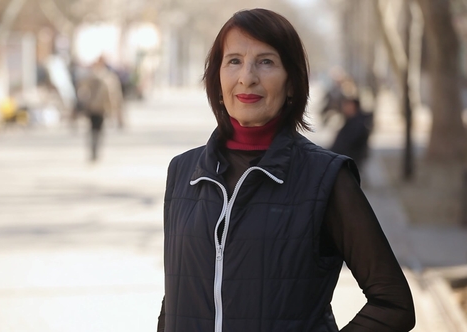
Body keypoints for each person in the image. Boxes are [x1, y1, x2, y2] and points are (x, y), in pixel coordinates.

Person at [157, 8, 415, 332]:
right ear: (216, 78)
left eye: (266, 61)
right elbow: (177, 296)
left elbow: (394, 304)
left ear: (292, 82)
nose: (247, 77)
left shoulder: (326, 178)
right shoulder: (184, 172)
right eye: (234, 60)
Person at [75, 56, 123, 161]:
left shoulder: (93, 76)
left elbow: (82, 88)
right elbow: (113, 95)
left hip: (94, 107)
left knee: (94, 130)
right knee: (97, 130)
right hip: (99, 108)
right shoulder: (107, 77)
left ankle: (94, 150)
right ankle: (94, 150)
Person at [330, 97, 373, 172]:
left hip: (349, 161)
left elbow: (346, 145)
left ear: (353, 106)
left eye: (346, 105)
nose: (344, 108)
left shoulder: (357, 124)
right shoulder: (352, 121)